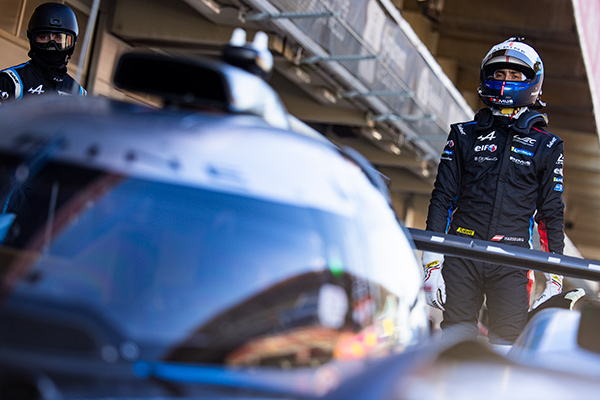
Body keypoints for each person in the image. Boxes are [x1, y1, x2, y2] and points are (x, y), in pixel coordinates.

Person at [422, 37, 565, 346]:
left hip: (512, 262)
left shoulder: (548, 145)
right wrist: (431, 264)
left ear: (533, 82)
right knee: (454, 344)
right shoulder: (463, 134)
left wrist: (554, 280)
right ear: (487, 76)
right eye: (499, 74)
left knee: (507, 348)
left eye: (515, 76)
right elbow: (442, 199)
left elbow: (550, 214)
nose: (505, 81)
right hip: (462, 252)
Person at [0, 2, 86, 104]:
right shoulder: (10, 81)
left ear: (72, 43)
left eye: (59, 38)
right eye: (44, 37)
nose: (52, 44)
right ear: (32, 38)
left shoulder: (79, 94)